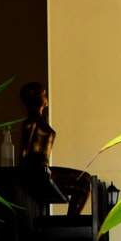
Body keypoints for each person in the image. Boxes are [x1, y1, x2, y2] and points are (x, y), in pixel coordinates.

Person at [17, 81, 93, 213]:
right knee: (84, 178)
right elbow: (24, 149)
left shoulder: (41, 120)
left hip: (44, 168)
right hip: (37, 170)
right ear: (35, 97)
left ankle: (72, 218)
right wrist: (20, 173)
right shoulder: (31, 122)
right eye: (44, 94)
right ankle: (71, 221)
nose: (46, 97)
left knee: (86, 180)